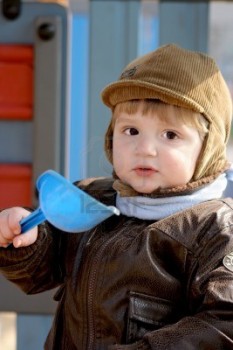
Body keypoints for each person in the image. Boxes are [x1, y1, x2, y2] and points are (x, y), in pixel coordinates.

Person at [0, 44, 233, 349]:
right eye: (131, 131)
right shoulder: (91, 198)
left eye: (170, 135)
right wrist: (26, 240)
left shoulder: (213, 230)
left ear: (208, 148)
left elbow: (224, 322)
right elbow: (41, 273)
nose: (145, 148)